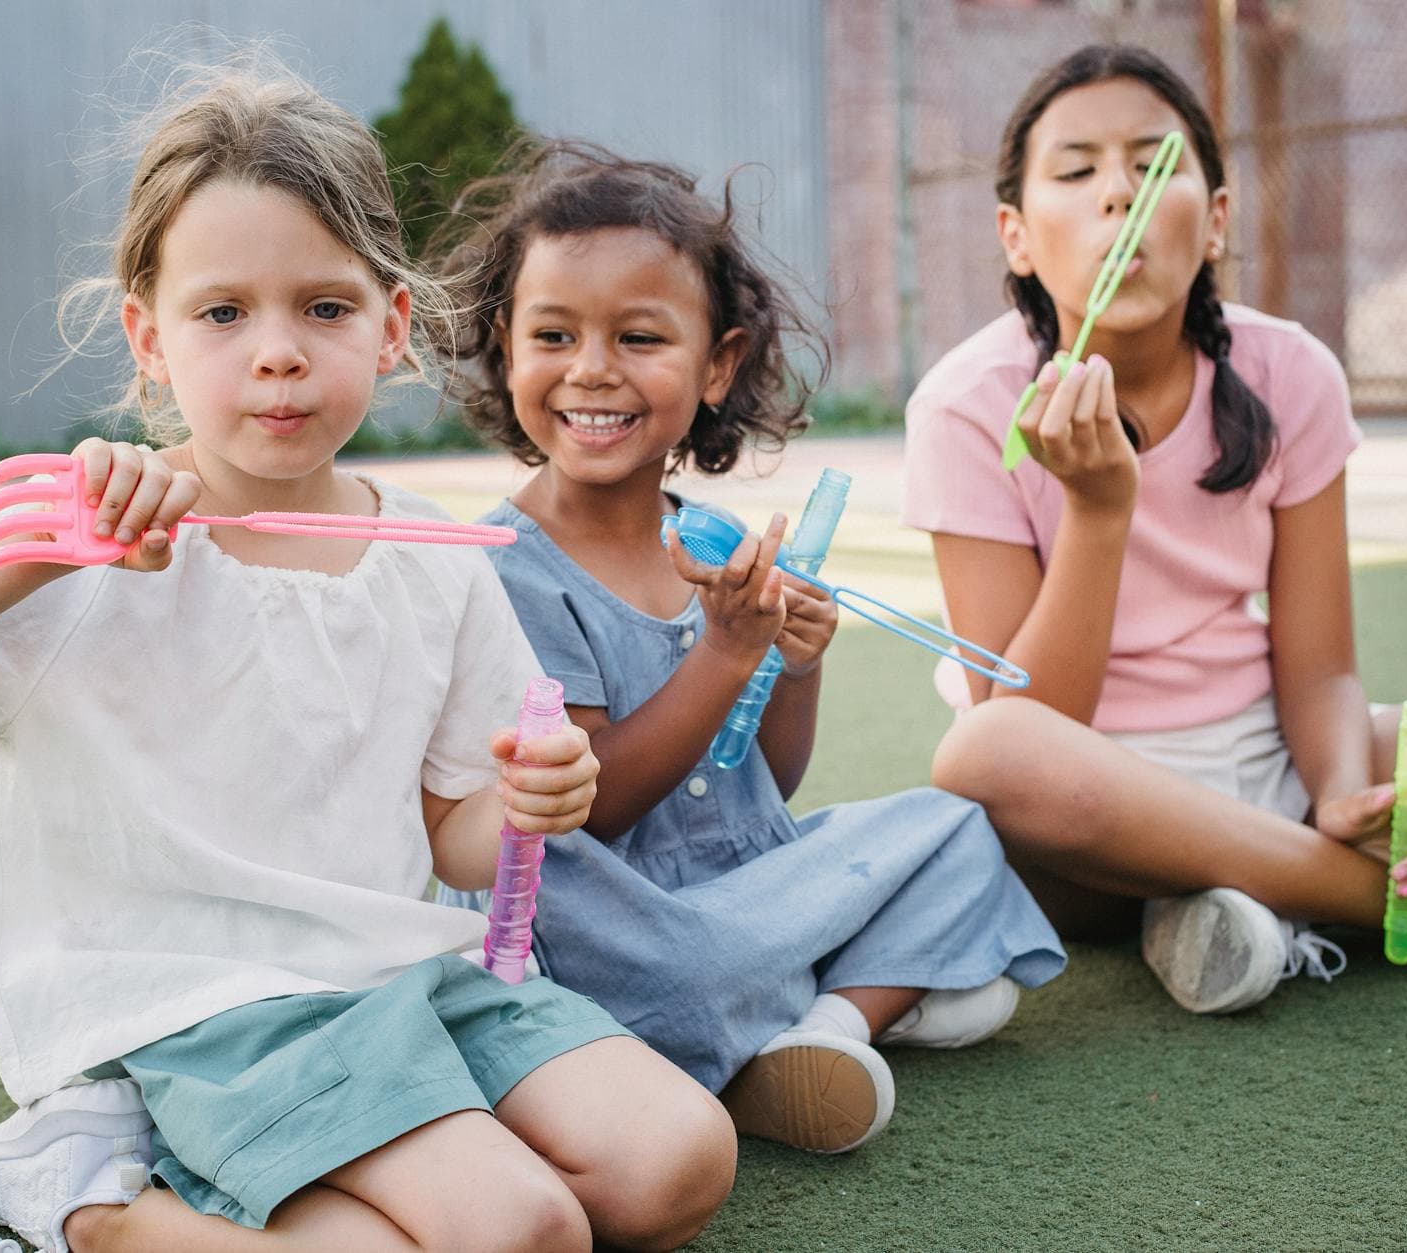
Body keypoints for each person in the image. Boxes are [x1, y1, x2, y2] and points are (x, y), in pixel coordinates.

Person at [0, 74, 736, 1253]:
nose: (277, 354)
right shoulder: (88, 537)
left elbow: (459, 831)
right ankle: (90, 1204)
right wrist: (34, 549)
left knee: (676, 1160)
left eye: (324, 308)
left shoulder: (433, 558)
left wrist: (538, 798)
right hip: (194, 1005)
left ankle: (216, 1182)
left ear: (391, 327)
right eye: (223, 312)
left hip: (399, 984)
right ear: (149, 338)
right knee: (520, 1227)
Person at [902, 44, 1407, 1015]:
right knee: (981, 755)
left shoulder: (1290, 370)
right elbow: (1031, 717)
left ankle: (1252, 894)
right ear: (1016, 235)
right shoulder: (965, 404)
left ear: (1213, 220)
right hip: (1090, 803)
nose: (1116, 197)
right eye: (1076, 171)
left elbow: (1320, 666)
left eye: (1150, 164)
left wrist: (1338, 790)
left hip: (1272, 759)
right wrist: (1096, 511)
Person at [428, 143, 1066, 1156]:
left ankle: (822, 1030)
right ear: (507, 346)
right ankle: (822, 997)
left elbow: (763, 782)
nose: (591, 368)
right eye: (553, 333)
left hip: (741, 885)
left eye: (639, 337)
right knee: (696, 968)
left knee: (958, 827)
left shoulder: (707, 539)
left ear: (716, 363)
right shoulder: (510, 571)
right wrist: (727, 654)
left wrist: (791, 664)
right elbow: (598, 803)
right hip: (622, 927)